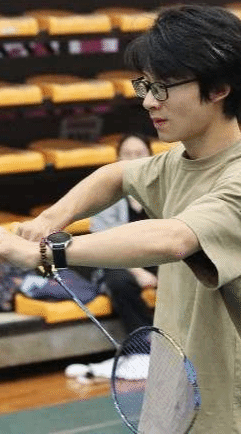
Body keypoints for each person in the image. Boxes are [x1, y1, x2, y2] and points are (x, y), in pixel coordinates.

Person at [0, 4, 241, 433]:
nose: (148, 101)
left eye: (163, 87)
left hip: (232, 418)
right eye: (145, 85)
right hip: (170, 407)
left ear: (218, 88)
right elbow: (117, 175)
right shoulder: (177, 162)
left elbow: (173, 239)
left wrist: (46, 253)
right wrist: (48, 219)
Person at [65, 133, 158, 380]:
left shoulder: (161, 192)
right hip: (118, 260)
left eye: (139, 153)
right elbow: (105, 241)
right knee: (119, 281)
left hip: (157, 256)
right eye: (127, 154)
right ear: (117, 159)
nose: (133, 159)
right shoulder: (107, 194)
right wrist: (138, 272)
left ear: (151, 156)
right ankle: (143, 347)